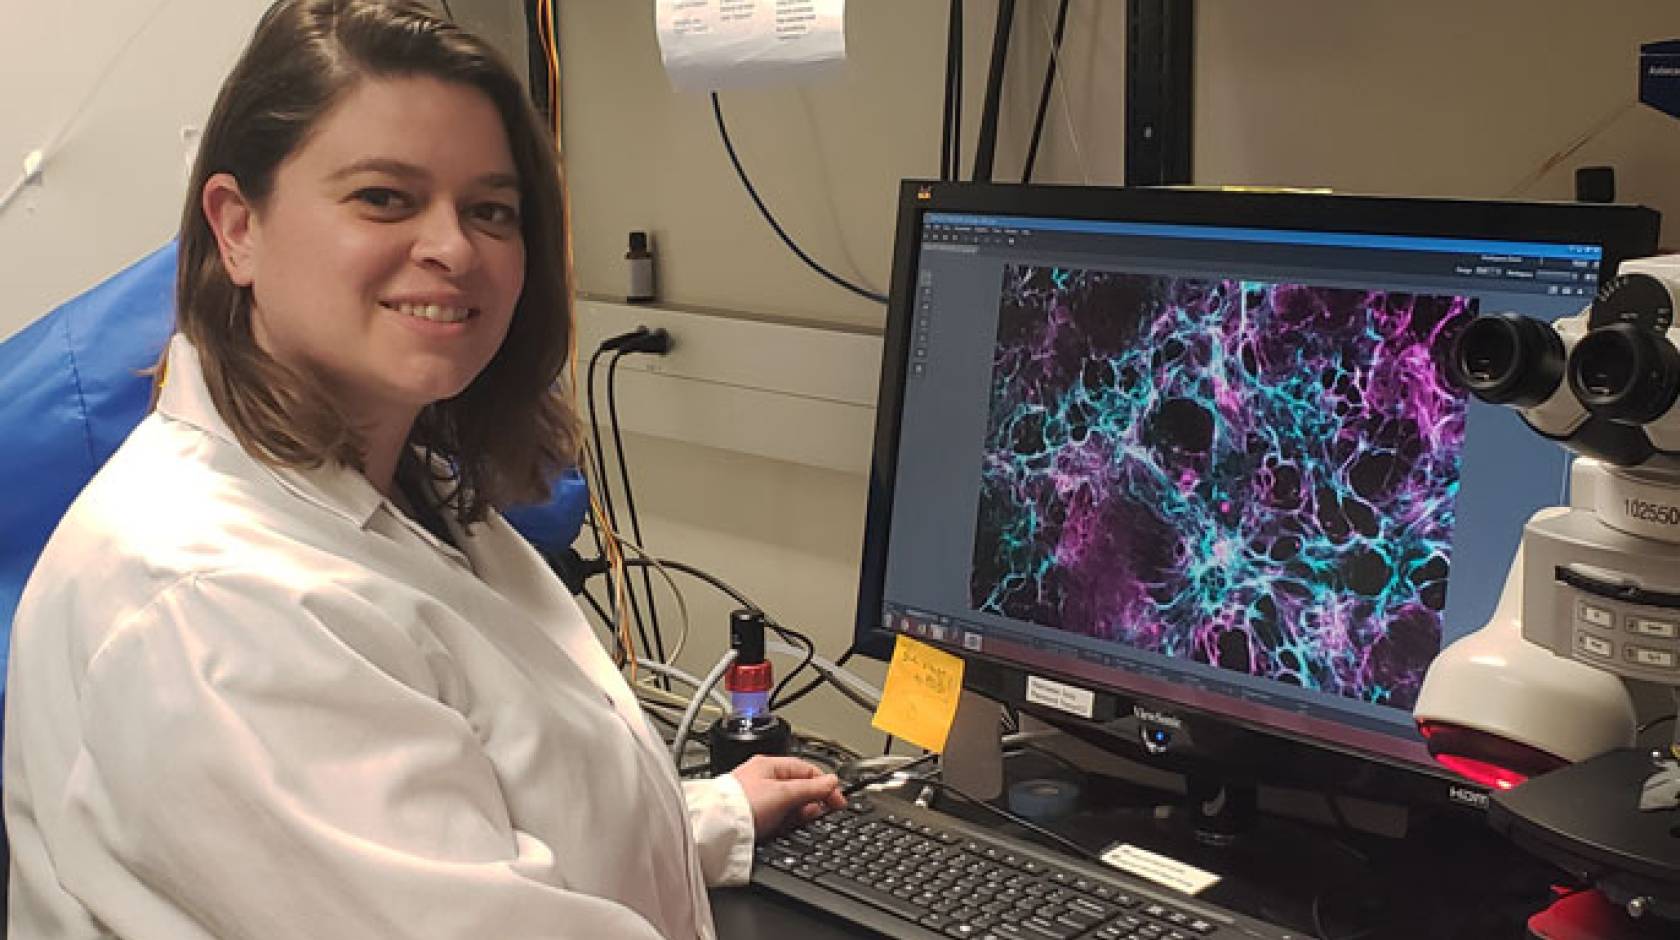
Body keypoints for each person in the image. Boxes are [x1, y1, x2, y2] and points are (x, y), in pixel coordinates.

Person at [2, 1, 844, 937]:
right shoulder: (212, 608)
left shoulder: (403, 482)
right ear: (237, 227)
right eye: (384, 198)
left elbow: (434, 833)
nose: (452, 247)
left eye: (491, 210)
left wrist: (700, 818)